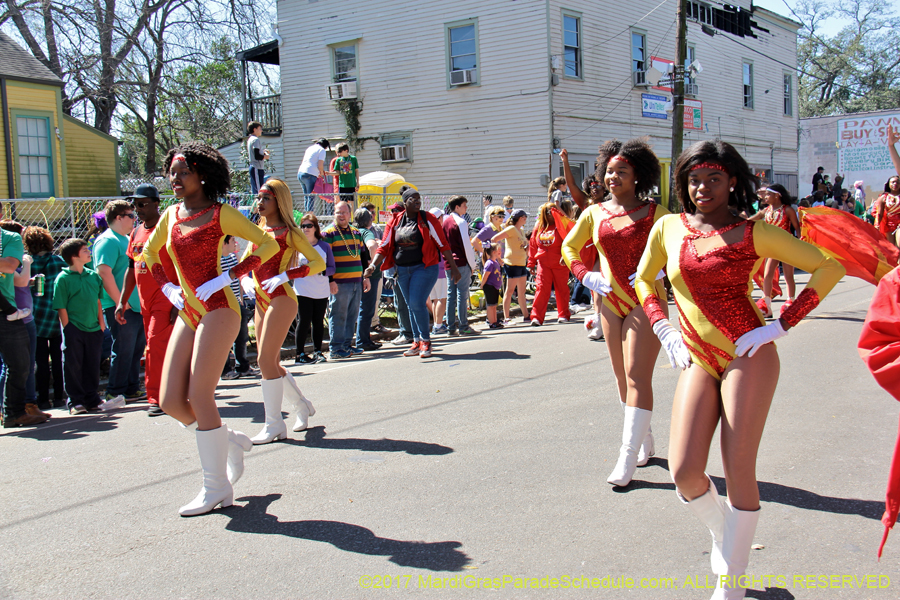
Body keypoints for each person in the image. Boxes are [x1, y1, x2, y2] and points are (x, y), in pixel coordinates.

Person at [634, 140, 844, 598]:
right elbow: (643, 279)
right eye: (693, 179)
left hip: (748, 353)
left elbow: (830, 266)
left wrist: (780, 325)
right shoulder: (668, 226)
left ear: (732, 181)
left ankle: (732, 577)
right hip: (697, 355)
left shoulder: (754, 232)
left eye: (713, 178)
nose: (702, 187)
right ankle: (723, 532)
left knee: (738, 466)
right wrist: (663, 327)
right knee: (685, 470)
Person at [143, 142, 279, 516]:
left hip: (220, 308)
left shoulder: (222, 214)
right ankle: (228, 441)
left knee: (200, 395)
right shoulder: (170, 215)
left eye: (182, 172)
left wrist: (228, 276)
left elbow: (266, 244)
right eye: (171, 172)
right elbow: (149, 254)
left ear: (201, 174)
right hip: (189, 310)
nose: (174, 178)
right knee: (171, 400)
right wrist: (168, 286)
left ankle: (216, 486)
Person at [562, 137, 669, 486]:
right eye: (609, 172)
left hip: (645, 300)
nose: (613, 177)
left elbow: (682, 247)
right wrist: (585, 275)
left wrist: (660, 270)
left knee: (638, 376)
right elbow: (569, 247)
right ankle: (644, 437)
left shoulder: (657, 213)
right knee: (622, 378)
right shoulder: (595, 213)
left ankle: (626, 455)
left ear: (637, 176)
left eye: (621, 171)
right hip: (610, 302)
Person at [242, 178, 324, 443]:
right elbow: (244, 262)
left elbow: (318, 262)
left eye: (266, 198)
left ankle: (275, 424)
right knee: (270, 362)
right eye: (259, 197)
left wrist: (286, 275)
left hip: (282, 297)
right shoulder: (257, 230)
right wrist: (244, 280)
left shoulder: (290, 232)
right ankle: (301, 405)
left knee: (265, 361)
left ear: (279, 200)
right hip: (260, 299)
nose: (260, 202)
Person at [364, 188, 461, 359]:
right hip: (402, 269)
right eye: (413, 199)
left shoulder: (426, 218)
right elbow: (384, 246)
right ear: (405, 202)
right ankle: (416, 341)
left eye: (419, 199)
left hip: (424, 268)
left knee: (416, 302)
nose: (418, 202)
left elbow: (442, 243)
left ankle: (426, 340)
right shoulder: (395, 221)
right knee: (411, 305)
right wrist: (373, 265)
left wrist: (453, 267)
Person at [115, 184, 178, 416]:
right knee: (158, 348)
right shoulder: (136, 232)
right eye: (135, 205)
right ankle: (175, 392)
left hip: (165, 300)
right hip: (144, 303)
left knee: (154, 347)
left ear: (156, 204)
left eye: (142, 204)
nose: (137, 209)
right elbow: (131, 268)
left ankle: (157, 398)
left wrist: (178, 303)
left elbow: (182, 266)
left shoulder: (169, 229)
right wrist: (122, 301)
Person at [94, 199, 146, 407]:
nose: (135, 219)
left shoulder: (125, 238)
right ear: (118, 217)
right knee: (123, 349)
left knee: (135, 349)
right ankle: (114, 391)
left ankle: (131, 388)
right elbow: (104, 272)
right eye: (131, 216)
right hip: (121, 306)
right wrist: (120, 303)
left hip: (135, 305)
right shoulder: (107, 240)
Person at [52, 238, 105, 416]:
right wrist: (68, 328)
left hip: (94, 328)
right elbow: (61, 306)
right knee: (73, 365)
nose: (89, 252)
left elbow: (98, 300)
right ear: (74, 256)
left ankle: (92, 398)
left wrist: (101, 324)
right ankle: (76, 401)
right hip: (74, 329)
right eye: (84, 250)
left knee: (92, 364)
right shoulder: (63, 278)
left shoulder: (93, 276)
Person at [0, 221, 43, 419]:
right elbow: (11, 268)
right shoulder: (11, 239)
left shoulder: (9, 239)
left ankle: (14, 413)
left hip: (9, 312)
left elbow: (10, 268)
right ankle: (14, 412)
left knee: (19, 364)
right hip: (9, 313)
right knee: (19, 365)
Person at [24, 226, 67, 410]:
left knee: (40, 361)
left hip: (35, 317)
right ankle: (59, 396)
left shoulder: (26, 264)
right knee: (58, 359)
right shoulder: (57, 261)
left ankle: (42, 399)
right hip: (57, 315)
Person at [322, 200, 371, 359]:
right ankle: (336, 348)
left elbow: (363, 257)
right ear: (334, 214)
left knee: (352, 314)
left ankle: (347, 345)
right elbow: (325, 260)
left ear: (350, 214)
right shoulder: (328, 234)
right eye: (338, 212)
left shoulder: (356, 232)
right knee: (338, 315)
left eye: (344, 212)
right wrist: (330, 280)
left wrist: (366, 277)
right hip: (339, 283)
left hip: (356, 280)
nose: (341, 215)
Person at [748, 183, 801, 318]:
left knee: (789, 276)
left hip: (787, 246)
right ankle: (767, 306)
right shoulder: (767, 210)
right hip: (772, 248)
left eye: (768, 194)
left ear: (777, 195)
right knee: (767, 276)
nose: (765, 197)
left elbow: (797, 228)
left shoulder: (788, 210)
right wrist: (736, 224)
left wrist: (800, 243)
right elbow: (750, 221)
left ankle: (791, 302)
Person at [294, 213, 335, 364]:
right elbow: (291, 267)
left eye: (309, 226)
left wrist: (321, 271)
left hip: (320, 289)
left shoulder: (324, 246)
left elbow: (332, 268)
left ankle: (318, 351)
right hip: (303, 289)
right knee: (303, 321)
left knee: (318, 321)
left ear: (315, 228)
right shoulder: (297, 246)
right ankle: (300, 354)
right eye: (303, 226)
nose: (306, 229)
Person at [527, 202, 572, 326]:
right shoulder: (539, 226)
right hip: (543, 263)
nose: (550, 214)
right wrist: (531, 263)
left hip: (560, 263)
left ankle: (563, 314)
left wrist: (566, 257)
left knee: (562, 289)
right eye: (547, 212)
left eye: (552, 211)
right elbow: (533, 245)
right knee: (541, 289)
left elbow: (570, 242)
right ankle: (536, 317)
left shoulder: (562, 225)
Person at [220, 236, 259, 380]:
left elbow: (238, 279)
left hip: (237, 301)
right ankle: (225, 370)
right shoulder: (217, 259)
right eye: (232, 241)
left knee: (241, 336)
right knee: (225, 338)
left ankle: (242, 366)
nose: (235, 244)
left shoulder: (231, 257)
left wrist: (241, 299)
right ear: (224, 243)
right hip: (224, 305)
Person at [442, 196, 479, 336]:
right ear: (457, 207)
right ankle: (463, 325)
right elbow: (466, 246)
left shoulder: (445, 222)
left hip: (449, 263)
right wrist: (472, 264)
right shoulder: (461, 222)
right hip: (462, 263)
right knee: (462, 295)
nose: (466, 208)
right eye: (464, 205)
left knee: (451, 295)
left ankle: (451, 327)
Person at [489, 209, 529, 324]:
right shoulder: (511, 229)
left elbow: (522, 246)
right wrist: (499, 257)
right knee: (510, 291)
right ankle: (506, 317)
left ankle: (526, 315)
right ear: (519, 218)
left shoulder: (521, 230)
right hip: (512, 263)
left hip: (521, 262)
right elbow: (494, 239)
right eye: (524, 216)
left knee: (522, 292)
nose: (525, 218)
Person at [354, 207, 383, 351]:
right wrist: (372, 263)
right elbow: (371, 246)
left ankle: (363, 339)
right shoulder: (366, 232)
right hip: (370, 275)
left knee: (362, 308)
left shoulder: (354, 231)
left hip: (356, 273)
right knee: (367, 308)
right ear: (369, 220)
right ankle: (363, 340)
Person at [426, 207, 448, 335]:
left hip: (430, 269)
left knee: (435, 299)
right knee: (441, 298)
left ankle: (436, 324)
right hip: (440, 269)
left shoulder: (426, 230)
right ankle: (438, 325)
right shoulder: (438, 231)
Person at [297, 138, 331, 212]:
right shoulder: (321, 150)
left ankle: (306, 214)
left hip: (300, 173)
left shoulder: (309, 148)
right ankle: (310, 215)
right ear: (325, 146)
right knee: (311, 196)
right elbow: (320, 165)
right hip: (310, 174)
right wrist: (321, 173)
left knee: (306, 196)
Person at [481, 242, 504, 329]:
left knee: (494, 305)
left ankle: (495, 320)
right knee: (490, 305)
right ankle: (491, 322)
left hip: (495, 287)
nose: (500, 252)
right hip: (490, 286)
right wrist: (482, 284)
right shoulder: (489, 263)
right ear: (493, 252)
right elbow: (486, 275)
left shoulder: (495, 262)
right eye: (498, 250)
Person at [333, 143, 360, 208]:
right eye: (338, 152)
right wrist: (328, 173)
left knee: (352, 204)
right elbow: (337, 172)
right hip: (342, 185)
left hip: (351, 184)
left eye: (340, 151)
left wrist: (358, 182)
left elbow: (356, 171)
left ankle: (353, 217)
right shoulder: (338, 160)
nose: (339, 153)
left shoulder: (353, 159)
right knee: (343, 204)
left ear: (346, 150)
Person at [246, 121, 270, 195]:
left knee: (256, 189)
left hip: (255, 167)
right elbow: (257, 156)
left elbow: (255, 152)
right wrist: (265, 157)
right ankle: (258, 205)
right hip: (256, 167)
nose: (261, 130)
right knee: (259, 191)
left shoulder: (250, 139)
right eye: (260, 129)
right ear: (254, 129)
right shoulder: (255, 140)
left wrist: (262, 151)